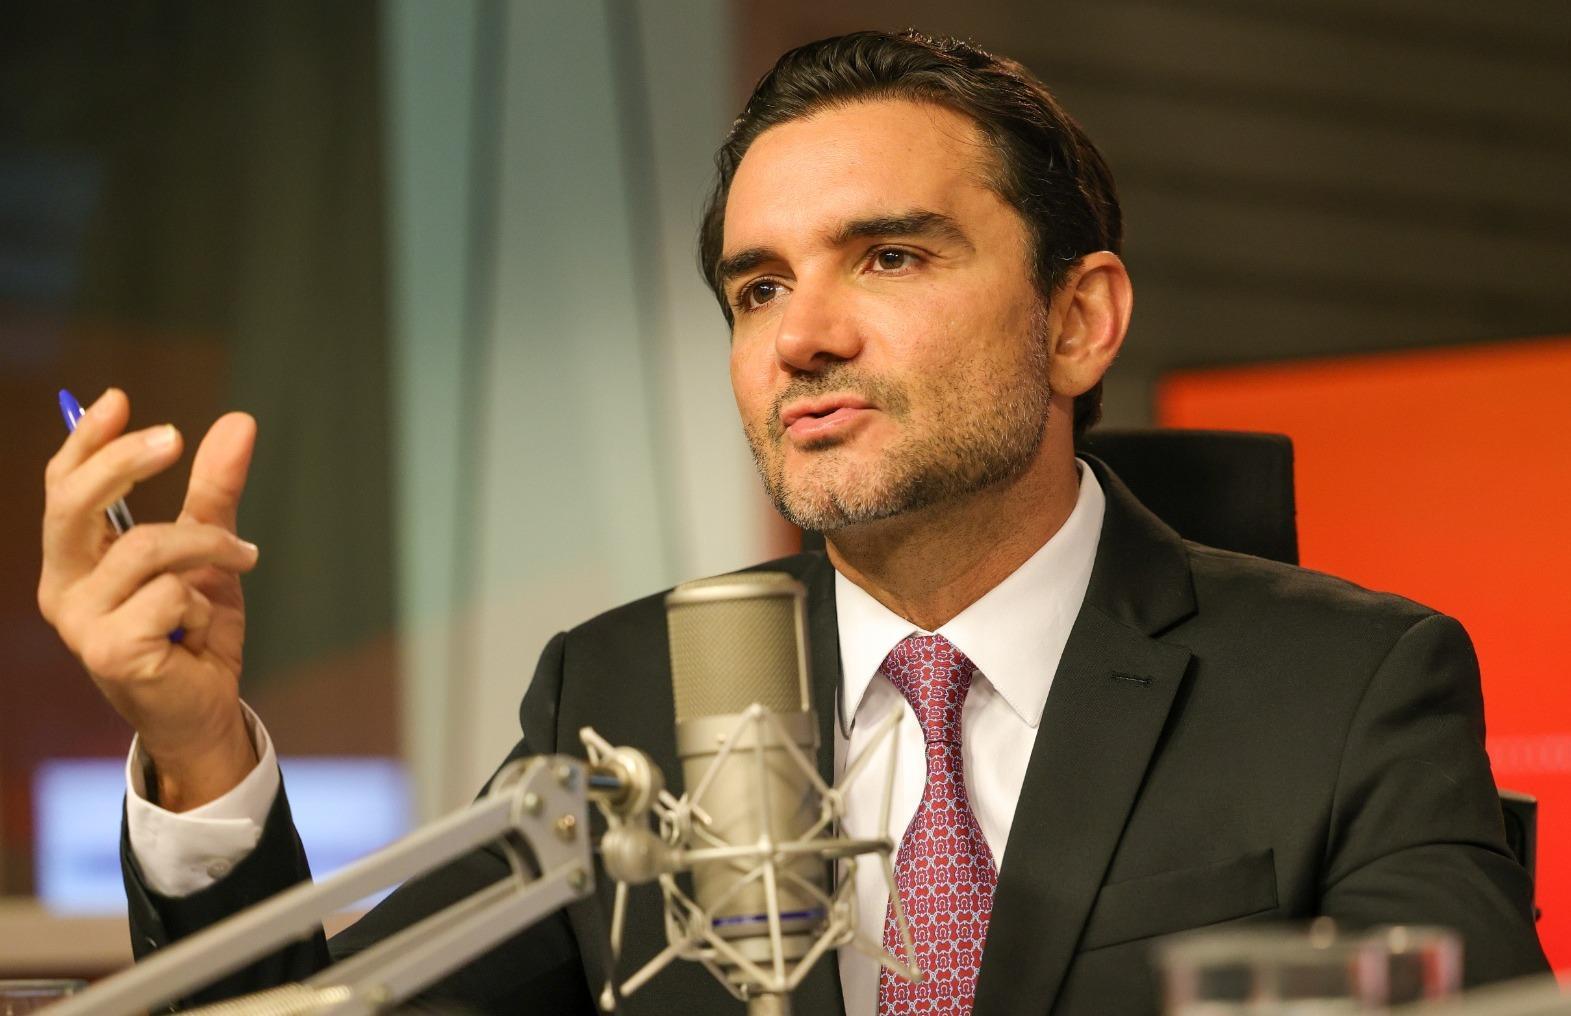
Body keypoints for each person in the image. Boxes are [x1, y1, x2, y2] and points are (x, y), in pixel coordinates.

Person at [37, 29, 1547, 1016]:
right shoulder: (622, 694)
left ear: (1079, 322)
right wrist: (199, 753)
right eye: (758, 288)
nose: (799, 337)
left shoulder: (1348, 688)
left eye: (887, 258)